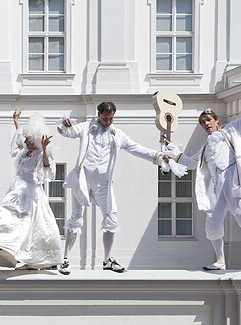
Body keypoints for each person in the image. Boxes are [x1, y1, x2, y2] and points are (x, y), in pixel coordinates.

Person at [165, 74, 241, 273]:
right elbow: (191, 162)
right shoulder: (205, 147)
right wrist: (174, 154)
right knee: (212, 222)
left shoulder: (231, 130)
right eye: (203, 122)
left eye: (209, 120)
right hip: (216, 184)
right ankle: (220, 260)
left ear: (216, 120)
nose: (206, 124)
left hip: (233, 178)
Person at [58, 101, 163, 274]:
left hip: (103, 184)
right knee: (76, 217)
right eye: (105, 118)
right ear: (98, 115)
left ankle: (107, 260)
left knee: (111, 218)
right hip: (82, 179)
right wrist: (64, 124)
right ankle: (66, 259)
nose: (108, 121)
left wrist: (158, 156)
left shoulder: (118, 134)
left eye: (111, 118)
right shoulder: (86, 127)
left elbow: (136, 148)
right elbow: (68, 132)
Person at [0, 110, 63, 272]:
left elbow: (47, 166)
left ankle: (28, 256)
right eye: (26, 138)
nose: (25, 140)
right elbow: (20, 136)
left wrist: (45, 148)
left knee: (30, 226)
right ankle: (3, 243)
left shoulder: (40, 154)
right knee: (9, 215)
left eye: (28, 138)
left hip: (31, 192)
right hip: (18, 190)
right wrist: (16, 121)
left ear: (35, 140)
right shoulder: (24, 151)